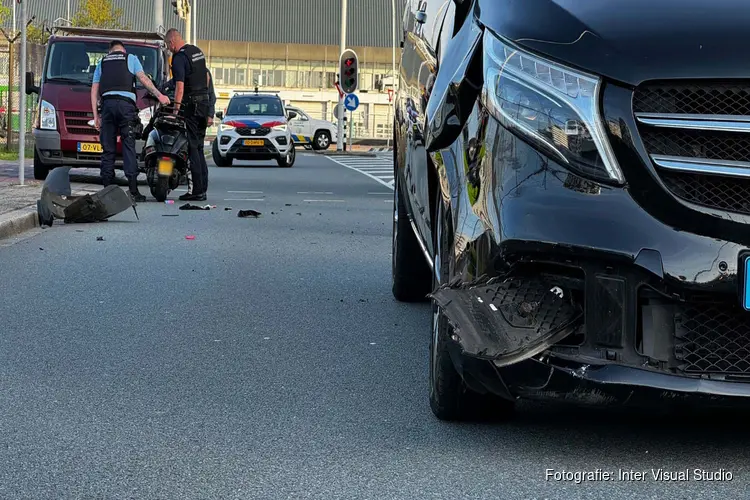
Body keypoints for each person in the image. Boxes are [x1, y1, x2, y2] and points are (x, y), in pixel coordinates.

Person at [91, 40, 170, 202]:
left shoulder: (102, 62)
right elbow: (144, 80)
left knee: (108, 149)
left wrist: (96, 117)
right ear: (123, 50)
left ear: (110, 51)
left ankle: (107, 191)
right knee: (128, 147)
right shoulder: (130, 58)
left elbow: (94, 91)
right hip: (126, 108)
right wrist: (160, 96)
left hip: (107, 106)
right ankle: (133, 191)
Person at [165, 28, 212, 202]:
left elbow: (180, 87)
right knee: (199, 147)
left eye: (168, 46)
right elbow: (206, 77)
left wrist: (175, 112)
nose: (169, 50)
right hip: (204, 103)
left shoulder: (179, 58)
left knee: (192, 148)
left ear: (171, 42)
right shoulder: (197, 51)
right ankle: (203, 187)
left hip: (192, 105)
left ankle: (196, 191)